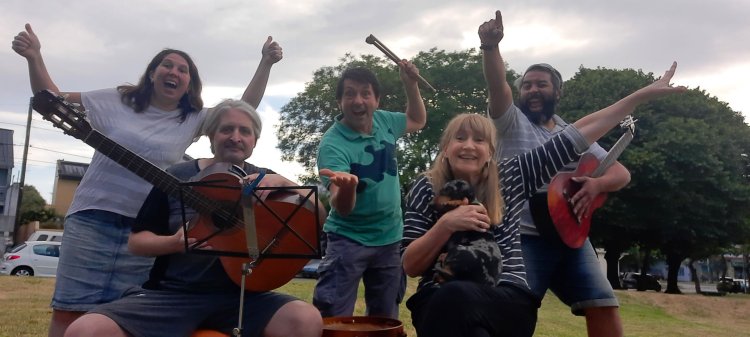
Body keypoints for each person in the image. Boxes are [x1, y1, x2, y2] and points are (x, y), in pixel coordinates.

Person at [12, 23, 284, 337]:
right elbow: (52, 98)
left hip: (146, 230)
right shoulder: (116, 100)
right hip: (94, 217)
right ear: (152, 73)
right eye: (167, 65)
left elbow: (240, 111)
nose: (174, 71)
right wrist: (34, 57)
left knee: (125, 315)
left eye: (183, 69)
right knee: (69, 309)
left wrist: (265, 64)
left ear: (189, 84)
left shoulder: (193, 118)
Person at [401, 63, 685, 337]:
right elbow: (410, 266)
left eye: (479, 140)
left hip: (504, 299)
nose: (468, 146)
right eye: (459, 138)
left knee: (455, 299)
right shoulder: (426, 187)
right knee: (460, 314)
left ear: (491, 152)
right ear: (446, 148)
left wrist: (642, 95)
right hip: (440, 296)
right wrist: (446, 224)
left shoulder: (512, 177)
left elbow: (586, 131)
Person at [63, 99, 324, 337]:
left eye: (245, 131)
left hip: (245, 297)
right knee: (86, 330)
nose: (235, 137)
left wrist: (282, 181)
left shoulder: (265, 179)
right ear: (211, 135)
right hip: (173, 296)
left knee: (305, 319)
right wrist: (175, 243)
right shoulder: (176, 176)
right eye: (226, 129)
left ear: (254, 140)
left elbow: (319, 216)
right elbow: (137, 242)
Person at [479, 10, 650, 336]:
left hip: (571, 237)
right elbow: (497, 86)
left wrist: (597, 184)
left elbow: (622, 173)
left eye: (541, 84)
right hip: (521, 237)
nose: (532, 90)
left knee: (603, 302)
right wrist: (490, 47)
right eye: (526, 85)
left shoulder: (571, 132)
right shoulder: (510, 123)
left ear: (558, 92)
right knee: (513, 309)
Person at [313, 65, 427, 318]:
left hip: (390, 238)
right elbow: (342, 208)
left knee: (385, 319)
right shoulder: (332, 145)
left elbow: (418, 120)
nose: (358, 101)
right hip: (347, 240)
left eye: (365, 93)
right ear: (340, 101)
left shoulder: (385, 121)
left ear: (376, 99)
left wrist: (411, 84)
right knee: (333, 317)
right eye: (350, 94)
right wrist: (346, 188)